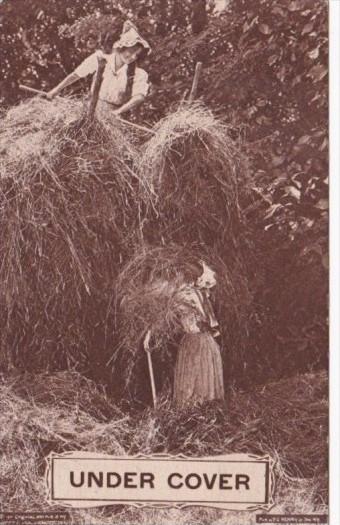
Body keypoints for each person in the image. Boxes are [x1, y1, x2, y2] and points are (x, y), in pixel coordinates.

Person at [46, 21, 151, 117]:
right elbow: (76, 74)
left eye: (136, 55)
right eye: (131, 51)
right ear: (122, 47)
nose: (133, 57)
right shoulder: (100, 59)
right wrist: (56, 90)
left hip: (113, 117)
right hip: (90, 109)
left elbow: (139, 96)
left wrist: (118, 112)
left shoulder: (137, 74)